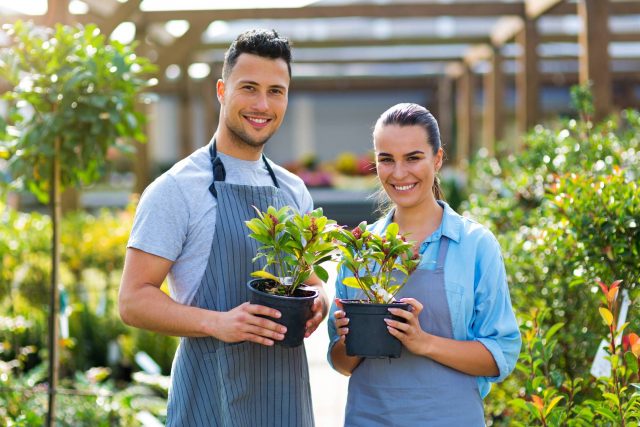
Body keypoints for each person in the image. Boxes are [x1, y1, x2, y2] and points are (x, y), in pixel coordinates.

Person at [119, 29, 327, 427]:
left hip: (285, 399)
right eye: (249, 88)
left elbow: (309, 278)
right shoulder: (177, 189)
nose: (262, 104)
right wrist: (217, 323)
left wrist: (320, 300)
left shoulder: (292, 190)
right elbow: (132, 300)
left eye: (276, 91)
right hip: (208, 397)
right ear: (221, 90)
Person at [327, 103, 521, 426]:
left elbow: (500, 355)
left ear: (438, 159)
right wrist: (350, 340)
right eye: (386, 159)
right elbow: (341, 362)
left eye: (413, 158)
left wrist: (424, 342)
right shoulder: (360, 248)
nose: (399, 173)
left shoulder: (475, 245)